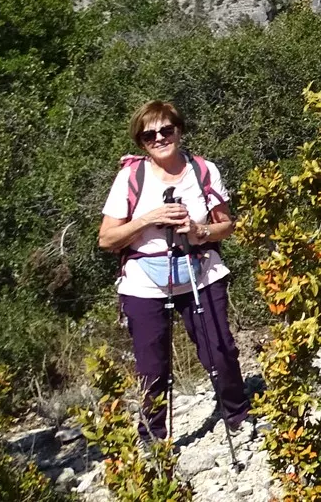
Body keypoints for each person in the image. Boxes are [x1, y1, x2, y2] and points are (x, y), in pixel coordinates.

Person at [98, 101, 250, 442]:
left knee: (220, 350)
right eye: (149, 135)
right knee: (152, 365)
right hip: (145, 280)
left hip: (200, 270)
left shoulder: (203, 171)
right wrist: (148, 219)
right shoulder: (130, 178)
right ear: (140, 142)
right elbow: (106, 239)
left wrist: (198, 231)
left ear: (179, 130)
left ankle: (237, 414)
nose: (159, 138)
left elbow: (226, 225)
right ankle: (153, 438)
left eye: (166, 130)